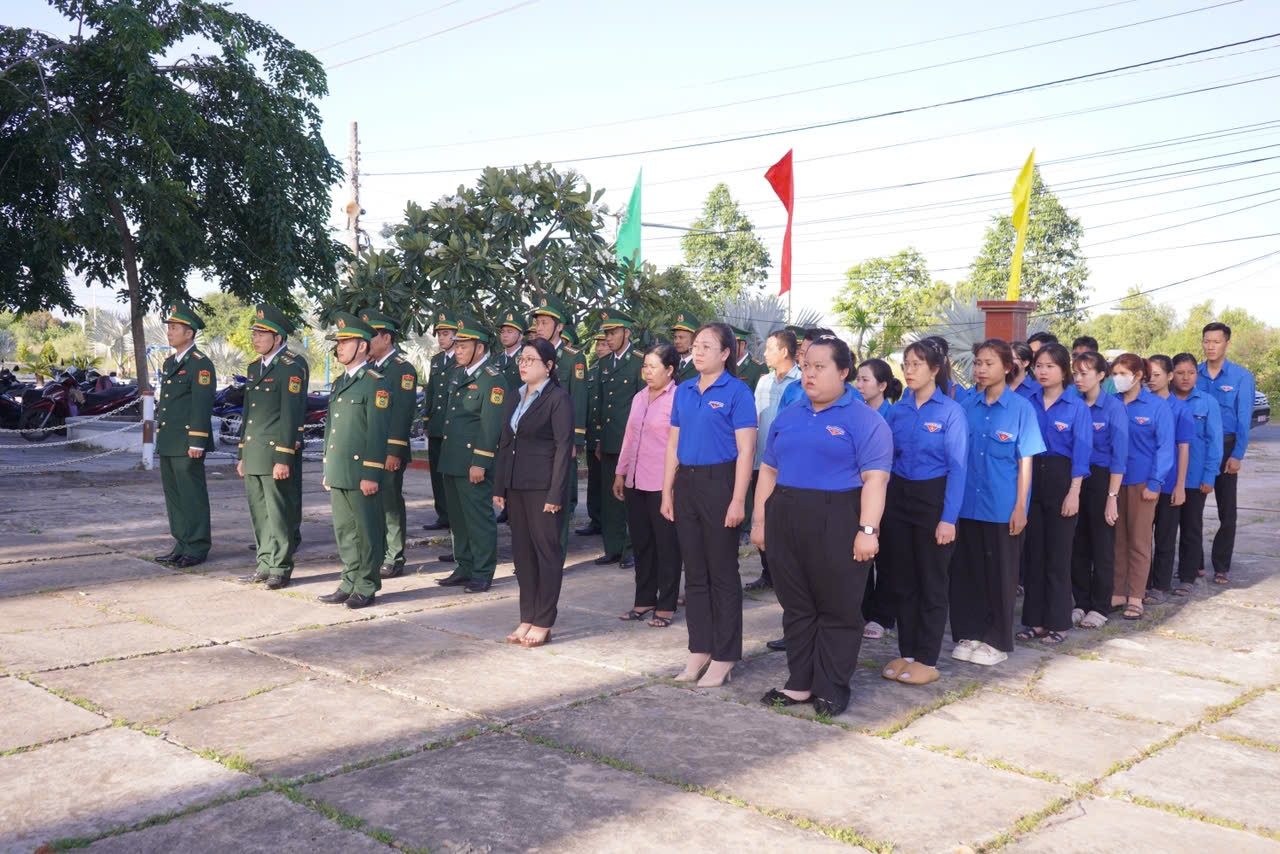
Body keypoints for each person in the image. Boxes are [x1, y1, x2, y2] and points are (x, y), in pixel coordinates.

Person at [753, 335, 892, 716]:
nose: (810, 374)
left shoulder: (865, 419)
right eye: (807, 365)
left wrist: (868, 530)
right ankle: (799, 683)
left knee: (838, 608)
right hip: (786, 513)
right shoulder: (790, 414)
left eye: (820, 367)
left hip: (839, 516)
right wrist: (760, 521)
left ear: (844, 372)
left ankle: (831, 686)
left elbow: (875, 481)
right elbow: (768, 470)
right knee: (796, 605)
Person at [662, 322, 757, 688]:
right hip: (686, 483)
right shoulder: (684, 390)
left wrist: (738, 500)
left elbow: (747, 450)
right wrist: (667, 492)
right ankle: (699, 649)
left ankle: (725, 655)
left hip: (721, 484)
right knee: (696, 575)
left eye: (706, 346)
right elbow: (673, 444)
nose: (697, 352)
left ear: (725, 353)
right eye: (695, 346)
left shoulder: (737, 392)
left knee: (722, 574)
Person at [951, 339, 1045, 667]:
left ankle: (997, 639)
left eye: (988, 363)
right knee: (969, 573)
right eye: (977, 362)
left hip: (1002, 507)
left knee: (1001, 576)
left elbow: (1026, 462)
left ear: (1007, 367)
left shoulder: (1021, 409)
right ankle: (970, 632)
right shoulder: (966, 406)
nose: (980, 368)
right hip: (968, 505)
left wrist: (1021, 506)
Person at [879, 338, 966, 686]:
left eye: (917, 364)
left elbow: (958, 468)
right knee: (903, 579)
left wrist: (948, 519)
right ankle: (908, 653)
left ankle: (927, 658)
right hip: (899, 496)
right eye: (906, 364)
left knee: (932, 580)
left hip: (934, 498)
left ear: (934, 369)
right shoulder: (898, 410)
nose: (909, 370)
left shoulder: (950, 413)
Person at [494, 338, 575, 648]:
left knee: (547, 554)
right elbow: (505, 443)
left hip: (544, 489)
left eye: (531, 359)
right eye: (522, 360)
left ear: (549, 366)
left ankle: (543, 621)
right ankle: (526, 616)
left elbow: (563, 448)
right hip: (516, 487)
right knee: (523, 556)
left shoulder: (558, 399)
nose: (524, 364)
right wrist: (500, 485)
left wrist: (556, 494)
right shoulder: (515, 397)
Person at [1019, 343, 1091, 645]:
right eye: (1039, 366)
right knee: (1033, 554)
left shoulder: (1077, 406)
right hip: (1031, 478)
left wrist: (1074, 492)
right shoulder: (1027, 401)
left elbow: (1082, 454)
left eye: (1050, 366)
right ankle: (1034, 620)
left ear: (1064, 371)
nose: (1042, 371)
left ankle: (1059, 622)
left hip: (1062, 481)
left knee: (1058, 555)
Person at [317, 313, 389, 609]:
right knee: (345, 530)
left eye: (345, 342)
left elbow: (377, 431)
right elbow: (330, 429)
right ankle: (348, 580)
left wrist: (372, 472)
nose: (340, 347)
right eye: (338, 343)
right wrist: (327, 465)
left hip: (362, 470)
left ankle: (366, 585)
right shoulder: (339, 383)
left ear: (362, 346)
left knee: (367, 530)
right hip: (340, 468)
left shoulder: (374, 383)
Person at [434, 318, 508, 594]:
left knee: (478, 518)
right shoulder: (459, 374)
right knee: (458, 518)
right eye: (457, 345)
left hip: (473, 463)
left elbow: (491, 425)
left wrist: (480, 461)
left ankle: (482, 570)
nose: (458, 350)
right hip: (452, 460)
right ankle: (464, 566)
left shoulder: (492, 378)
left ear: (479, 347)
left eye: (463, 346)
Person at [238, 304, 306, 588]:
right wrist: (242, 453)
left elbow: (291, 416)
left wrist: (284, 456)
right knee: (259, 512)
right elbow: (248, 414)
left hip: (274, 453)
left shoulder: (291, 367)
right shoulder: (255, 368)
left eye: (262, 334)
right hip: (254, 452)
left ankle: (280, 567)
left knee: (279, 513)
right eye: (254, 333)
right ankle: (264, 563)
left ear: (277, 338)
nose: (255, 339)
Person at [615, 343, 682, 628]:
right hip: (635, 480)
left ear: (670, 370)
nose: (647, 373)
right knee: (641, 543)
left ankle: (666, 604)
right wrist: (621, 473)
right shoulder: (640, 397)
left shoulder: (679, 399)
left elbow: (679, 444)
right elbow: (630, 437)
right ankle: (644, 599)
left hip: (662, 483)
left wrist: (674, 485)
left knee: (667, 545)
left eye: (653, 367)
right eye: (645, 367)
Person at [1110, 353, 1174, 620]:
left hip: (1142, 483)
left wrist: (1155, 482)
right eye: (1114, 374)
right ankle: (1116, 591)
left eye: (1123, 373)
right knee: (1116, 540)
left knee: (1138, 540)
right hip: (1113, 483)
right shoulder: (1110, 403)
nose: (1117, 379)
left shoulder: (1156, 406)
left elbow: (1165, 448)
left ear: (1138, 376)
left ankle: (1135, 596)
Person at [1068, 351, 1128, 629]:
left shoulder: (1113, 408)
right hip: (1075, 478)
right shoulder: (1072, 403)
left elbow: (1119, 456)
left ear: (1101, 375)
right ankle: (1080, 601)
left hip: (1103, 480)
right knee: (1077, 543)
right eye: (1076, 373)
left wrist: (1112, 498)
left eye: (1085, 373)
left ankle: (1100, 606)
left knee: (1102, 544)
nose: (1078, 379)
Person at [155, 305, 215, 569]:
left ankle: (198, 545)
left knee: (192, 495)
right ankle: (181, 543)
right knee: (175, 496)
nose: (169, 333)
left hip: (187, 442)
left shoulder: (200, 364)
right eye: (168, 328)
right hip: (170, 440)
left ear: (189, 333)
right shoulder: (171, 362)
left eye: (175, 328)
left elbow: (201, 405)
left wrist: (197, 441)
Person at [1197, 322, 1256, 585]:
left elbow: (1244, 419)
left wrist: (1238, 454)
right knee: (1191, 508)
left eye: (1216, 341)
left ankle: (1221, 565)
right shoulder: (1192, 374)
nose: (1210, 346)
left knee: (1227, 510)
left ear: (1227, 344)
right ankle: (1193, 563)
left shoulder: (1241, 377)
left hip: (1227, 446)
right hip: (1198, 447)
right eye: (1207, 341)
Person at [362, 309, 418, 579]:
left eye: (371, 337)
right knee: (371, 504)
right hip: (368, 450)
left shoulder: (402, 370)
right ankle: (377, 550)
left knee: (389, 503)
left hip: (387, 451)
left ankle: (394, 556)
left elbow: (402, 414)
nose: (366, 342)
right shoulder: (369, 369)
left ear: (386, 338)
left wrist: (394, 450)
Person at [743, 329, 801, 595]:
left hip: (791, 466)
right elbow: (754, 420)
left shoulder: (801, 381)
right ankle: (767, 573)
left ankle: (788, 575)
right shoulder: (764, 382)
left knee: (788, 523)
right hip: (762, 463)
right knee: (762, 517)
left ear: (784, 352)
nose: (764, 353)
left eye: (769, 348)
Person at [854, 357, 904, 641]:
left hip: (888, 492)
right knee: (860, 556)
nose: (859, 385)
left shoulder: (893, 416)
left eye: (865, 380)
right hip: (858, 492)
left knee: (885, 557)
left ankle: (882, 616)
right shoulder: (855, 413)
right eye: (857, 379)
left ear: (882, 385)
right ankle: (862, 611)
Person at [531, 295, 588, 545]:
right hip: (534, 439)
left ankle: (557, 549)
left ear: (559, 327)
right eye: (538, 323)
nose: (539, 327)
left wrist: (575, 439)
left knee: (559, 495)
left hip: (560, 438)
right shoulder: (531, 355)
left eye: (545, 322)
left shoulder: (573, 357)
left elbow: (578, 399)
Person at [1168, 352, 1223, 596]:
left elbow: (1215, 442)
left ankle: (1187, 576)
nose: (1186, 377)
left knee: (1191, 527)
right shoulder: (1163, 400)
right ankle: (1160, 575)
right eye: (1180, 372)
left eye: (1191, 372)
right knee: (1165, 530)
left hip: (1195, 477)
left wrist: (1209, 476)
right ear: (1171, 375)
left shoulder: (1207, 402)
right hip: (1167, 478)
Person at [595, 310, 644, 569]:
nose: (609, 337)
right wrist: (600, 438)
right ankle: (612, 548)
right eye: (606, 333)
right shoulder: (604, 364)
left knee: (629, 499)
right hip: (610, 440)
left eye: (613, 332)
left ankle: (631, 548)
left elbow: (643, 402)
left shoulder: (639, 362)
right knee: (609, 499)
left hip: (631, 441)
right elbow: (601, 404)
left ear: (626, 332)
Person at [1145, 354, 1193, 602]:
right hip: (1142, 481)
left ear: (1170, 376)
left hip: (1169, 481)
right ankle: (1140, 583)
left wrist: (1180, 485)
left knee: (1164, 536)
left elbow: (1183, 449)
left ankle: (1160, 586)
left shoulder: (1180, 409)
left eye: (1157, 375)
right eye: (1148, 375)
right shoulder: (1139, 404)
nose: (1151, 380)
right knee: (1141, 538)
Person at [421, 310, 459, 533]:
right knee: (436, 472)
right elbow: (432, 392)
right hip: (436, 423)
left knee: (450, 473)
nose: (441, 338)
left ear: (456, 335)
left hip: (452, 426)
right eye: (439, 334)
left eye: (446, 333)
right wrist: (427, 421)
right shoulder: (436, 360)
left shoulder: (462, 358)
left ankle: (454, 515)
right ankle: (442, 514)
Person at [578, 330, 609, 537]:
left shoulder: (614, 371)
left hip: (607, 436)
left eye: (604, 344)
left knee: (608, 481)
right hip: (592, 435)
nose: (599, 348)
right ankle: (595, 519)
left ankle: (608, 521)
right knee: (594, 481)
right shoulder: (593, 370)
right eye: (597, 344)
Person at [494, 306, 526, 390]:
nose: (505, 335)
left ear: (520, 337)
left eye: (510, 331)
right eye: (503, 331)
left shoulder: (527, 358)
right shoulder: (495, 359)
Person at [731, 326, 766, 391]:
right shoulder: (726, 365)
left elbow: (761, 396)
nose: (730, 348)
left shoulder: (759, 368)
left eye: (732, 345)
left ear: (742, 344)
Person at [671, 311, 700, 384]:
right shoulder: (671, 361)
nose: (677, 341)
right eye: (675, 337)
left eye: (681, 337)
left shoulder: (701, 366)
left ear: (694, 339)